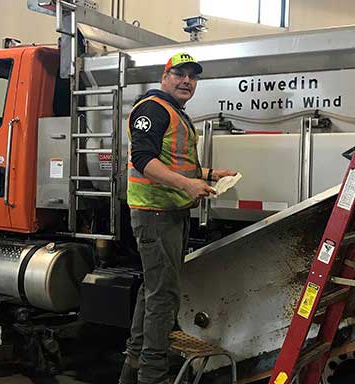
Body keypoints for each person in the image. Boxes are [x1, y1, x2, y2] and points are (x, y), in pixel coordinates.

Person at [119, 52, 236, 384]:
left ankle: (135, 363)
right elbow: (144, 159)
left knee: (153, 289)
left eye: (192, 76)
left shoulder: (174, 113)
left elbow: (176, 162)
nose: (187, 81)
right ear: (164, 77)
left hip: (170, 214)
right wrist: (187, 184)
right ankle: (152, 375)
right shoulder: (152, 109)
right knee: (163, 294)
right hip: (154, 215)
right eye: (179, 74)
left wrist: (211, 174)